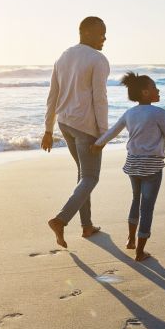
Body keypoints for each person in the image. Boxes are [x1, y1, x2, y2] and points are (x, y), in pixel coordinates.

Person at [92, 72, 165, 261]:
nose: (157, 90)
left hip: (133, 163)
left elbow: (112, 132)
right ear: (144, 93)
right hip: (151, 165)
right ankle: (140, 251)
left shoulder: (129, 113)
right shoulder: (159, 113)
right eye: (154, 87)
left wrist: (97, 144)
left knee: (136, 200)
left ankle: (130, 240)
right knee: (147, 208)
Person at [42, 16, 109, 248]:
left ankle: (87, 226)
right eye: (101, 33)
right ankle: (61, 220)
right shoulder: (98, 59)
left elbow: (52, 96)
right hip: (86, 127)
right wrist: (104, 134)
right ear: (88, 33)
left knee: (83, 174)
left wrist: (48, 130)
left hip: (65, 124)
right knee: (90, 177)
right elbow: (99, 98)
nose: (105, 38)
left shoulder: (63, 57)